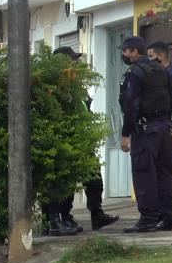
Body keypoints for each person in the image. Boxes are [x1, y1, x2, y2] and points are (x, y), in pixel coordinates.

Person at [42, 46, 119, 236]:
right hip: (60, 141)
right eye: (71, 60)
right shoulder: (52, 86)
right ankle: (53, 221)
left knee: (93, 177)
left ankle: (94, 214)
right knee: (60, 183)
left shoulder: (75, 84)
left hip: (81, 140)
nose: (75, 64)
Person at [118, 36, 172, 233]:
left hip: (146, 130)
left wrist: (126, 134)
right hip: (164, 129)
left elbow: (131, 104)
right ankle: (170, 215)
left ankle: (149, 218)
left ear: (134, 51)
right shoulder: (161, 69)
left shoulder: (136, 73)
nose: (124, 55)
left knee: (144, 173)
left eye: (125, 51)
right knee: (164, 173)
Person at [147, 41, 172, 230]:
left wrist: (171, 124)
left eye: (151, 56)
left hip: (170, 129)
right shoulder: (159, 75)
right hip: (161, 130)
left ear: (160, 56)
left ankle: (171, 214)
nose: (149, 60)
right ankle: (163, 212)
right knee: (160, 171)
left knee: (168, 170)